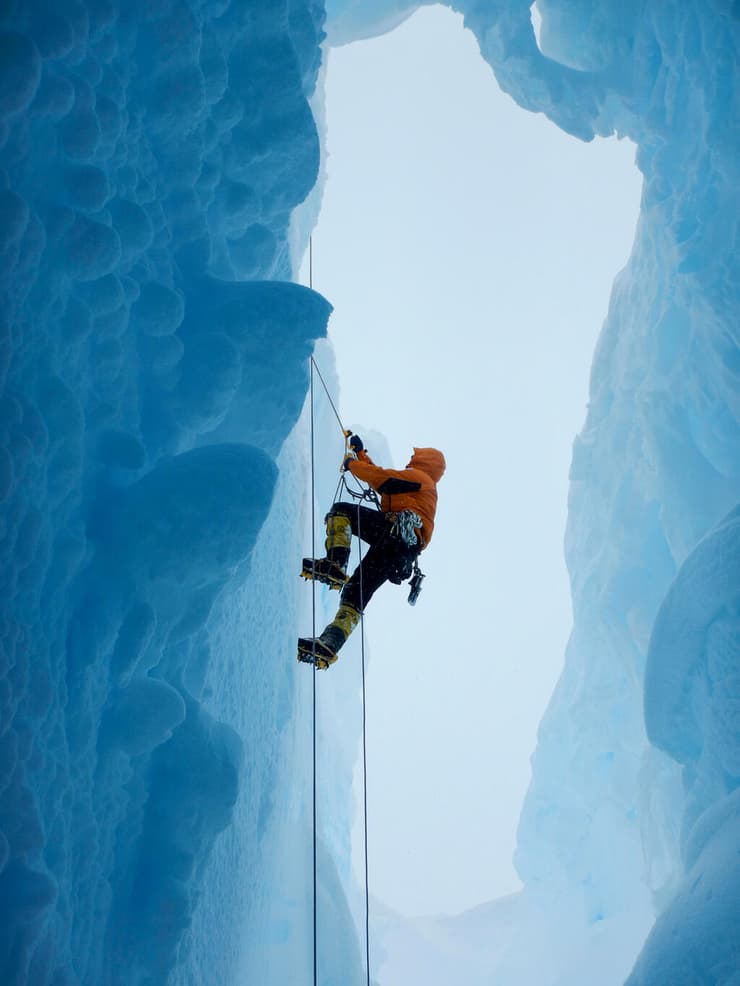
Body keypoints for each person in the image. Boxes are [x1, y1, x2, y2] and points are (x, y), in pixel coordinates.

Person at [297, 436, 446, 669]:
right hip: (400, 554)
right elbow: (382, 476)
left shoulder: (420, 478)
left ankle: (335, 563)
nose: (410, 460)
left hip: (393, 535)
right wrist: (360, 453)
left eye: (415, 457)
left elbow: (382, 480)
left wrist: (351, 464)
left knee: (342, 512)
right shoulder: (421, 488)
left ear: (425, 462)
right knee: (354, 595)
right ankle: (330, 644)